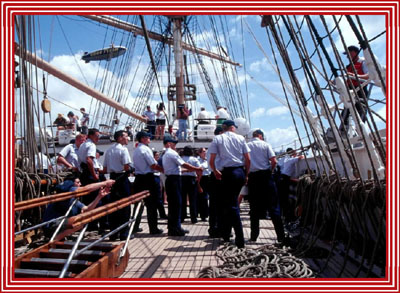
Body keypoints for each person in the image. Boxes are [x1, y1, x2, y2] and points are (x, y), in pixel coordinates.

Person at [208, 120, 250, 248]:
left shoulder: (217, 139)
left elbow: (211, 159)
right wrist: (246, 175)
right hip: (238, 172)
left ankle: (237, 238)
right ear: (232, 128)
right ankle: (229, 235)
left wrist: (215, 171)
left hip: (225, 174)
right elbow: (248, 159)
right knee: (231, 204)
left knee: (229, 205)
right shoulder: (241, 139)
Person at [42, 177, 115, 238]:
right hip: (50, 227)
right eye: (77, 182)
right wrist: (105, 183)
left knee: (83, 218)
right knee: (78, 221)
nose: (80, 184)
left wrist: (99, 196)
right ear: (72, 185)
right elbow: (86, 189)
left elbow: (86, 209)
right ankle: (55, 240)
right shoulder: (68, 192)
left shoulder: (73, 200)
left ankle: (60, 238)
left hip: (57, 226)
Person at [246, 129, 285, 243]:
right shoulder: (266, 145)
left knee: (254, 208)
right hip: (266, 177)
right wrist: (270, 170)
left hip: (253, 178)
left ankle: (254, 236)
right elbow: (274, 161)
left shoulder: (247, 146)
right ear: (260, 136)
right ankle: (280, 236)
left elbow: (245, 161)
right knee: (273, 207)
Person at [162, 136, 202, 236]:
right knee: (176, 204)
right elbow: (183, 164)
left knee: (173, 204)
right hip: (174, 180)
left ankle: (172, 227)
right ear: (168, 144)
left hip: (170, 179)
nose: (175, 145)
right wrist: (196, 168)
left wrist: (189, 170)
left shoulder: (165, 154)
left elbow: (175, 168)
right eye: (173, 143)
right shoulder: (172, 153)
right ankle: (176, 228)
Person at [103, 130, 134, 240]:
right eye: (126, 136)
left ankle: (113, 234)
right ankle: (124, 234)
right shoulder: (123, 150)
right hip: (122, 179)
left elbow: (105, 169)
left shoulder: (109, 150)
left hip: (112, 178)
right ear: (120, 138)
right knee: (125, 206)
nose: (128, 138)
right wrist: (131, 169)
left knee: (113, 207)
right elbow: (126, 167)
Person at [132, 131, 164, 235]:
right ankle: (153, 228)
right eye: (147, 137)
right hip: (148, 179)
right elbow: (153, 165)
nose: (149, 139)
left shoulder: (136, 150)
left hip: (138, 178)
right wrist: (164, 170)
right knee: (152, 205)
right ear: (142, 139)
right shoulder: (145, 150)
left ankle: (134, 226)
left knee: (138, 204)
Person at [340, 45, 370, 132]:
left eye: (348, 53)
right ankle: (342, 131)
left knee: (361, 110)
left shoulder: (363, 62)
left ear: (354, 52)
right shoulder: (349, 66)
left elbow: (369, 75)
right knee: (346, 109)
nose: (347, 56)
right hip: (350, 91)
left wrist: (355, 76)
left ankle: (361, 131)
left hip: (360, 89)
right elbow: (347, 80)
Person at [279, 147, 304, 223]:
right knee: (287, 199)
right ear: (291, 153)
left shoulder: (286, 159)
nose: (295, 154)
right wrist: (300, 153)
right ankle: (288, 217)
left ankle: (285, 216)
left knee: (284, 199)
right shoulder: (290, 160)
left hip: (284, 178)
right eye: (294, 152)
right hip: (285, 179)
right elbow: (301, 157)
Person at [207, 126, 224, 238]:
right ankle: (221, 229)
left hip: (213, 175)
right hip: (219, 175)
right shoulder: (220, 144)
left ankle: (213, 229)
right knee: (222, 204)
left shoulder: (211, 145)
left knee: (213, 204)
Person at [180, 146, 201, 224]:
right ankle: (193, 218)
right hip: (192, 179)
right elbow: (199, 168)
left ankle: (182, 217)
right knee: (193, 199)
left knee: (182, 199)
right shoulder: (194, 159)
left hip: (182, 179)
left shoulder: (181, 159)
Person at [153, 151, 168, 219]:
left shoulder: (157, 161)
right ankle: (162, 214)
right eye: (156, 155)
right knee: (158, 198)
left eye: (158, 155)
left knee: (158, 197)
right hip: (155, 178)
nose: (158, 157)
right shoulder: (154, 162)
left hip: (158, 177)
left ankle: (161, 213)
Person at [197, 147, 210, 222]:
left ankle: (208, 212)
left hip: (209, 178)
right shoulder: (198, 160)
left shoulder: (208, 159)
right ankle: (203, 214)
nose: (205, 153)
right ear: (199, 153)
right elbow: (199, 168)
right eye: (203, 151)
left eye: (205, 151)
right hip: (202, 178)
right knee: (203, 197)